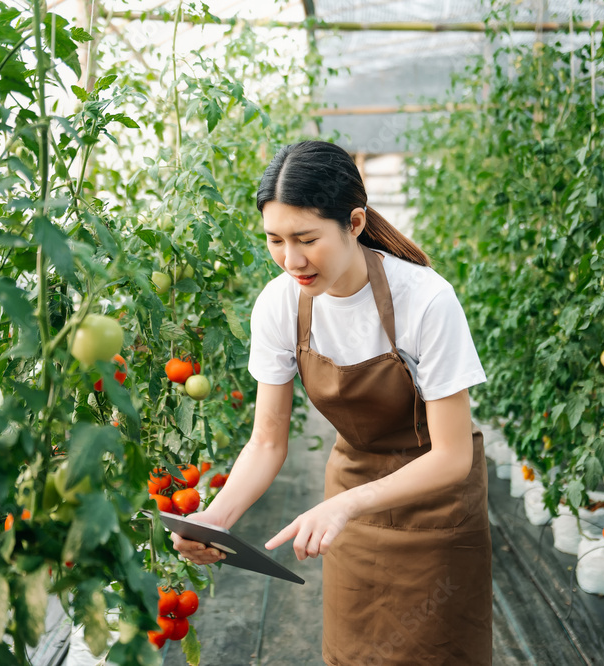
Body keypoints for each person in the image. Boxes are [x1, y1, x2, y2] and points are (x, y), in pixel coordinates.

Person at [171, 140, 492, 664]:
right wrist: (216, 517)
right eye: (274, 240)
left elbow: (452, 456)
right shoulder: (279, 305)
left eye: (306, 239)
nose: (290, 259)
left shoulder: (426, 300)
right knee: (354, 652)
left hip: (437, 511)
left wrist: (345, 504)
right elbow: (267, 440)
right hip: (350, 506)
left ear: (356, 222)